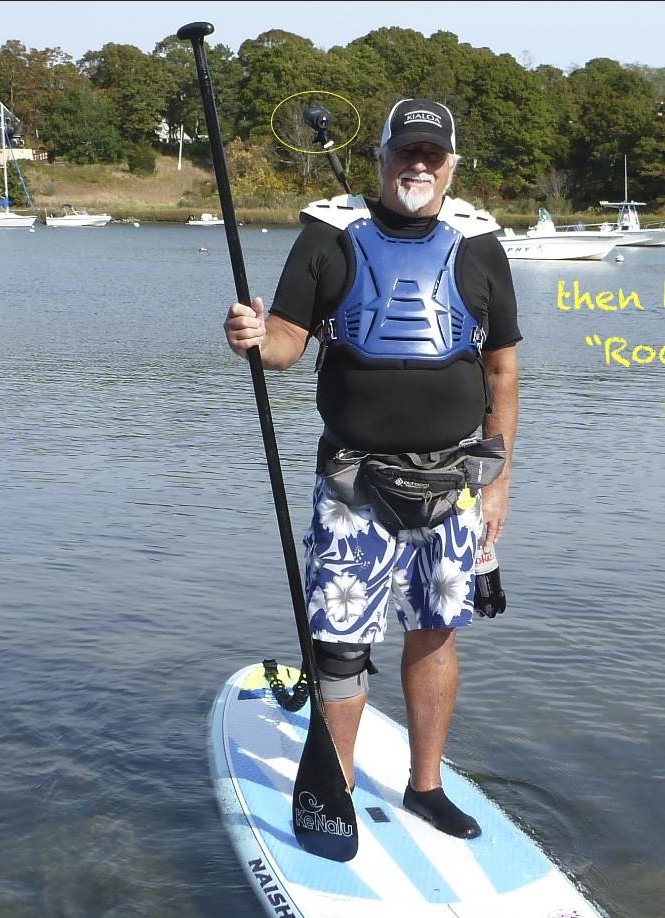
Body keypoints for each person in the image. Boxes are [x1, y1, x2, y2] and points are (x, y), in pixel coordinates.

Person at [223, 99, 520, 839]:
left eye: (432, 155)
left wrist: (499, 486)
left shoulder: (480, 245)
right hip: (354, 485)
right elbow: (287, 342)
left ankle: (426, 786)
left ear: (450, 166)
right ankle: (338, 787)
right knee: (339, 645)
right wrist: (253, 338)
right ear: (381, 158)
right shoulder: (329, 236)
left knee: (436, 631)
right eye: (405, 152)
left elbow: (502, 370)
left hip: (454, 485)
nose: (417, 165)